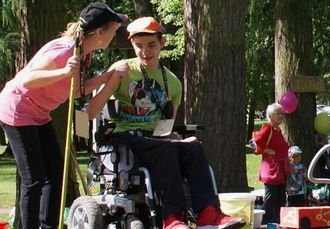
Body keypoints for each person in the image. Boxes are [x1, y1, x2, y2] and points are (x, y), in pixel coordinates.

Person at [88, 16, 244, 229]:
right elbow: (92, 112)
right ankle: (171, 218)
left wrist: (177, 139)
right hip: (125, 139)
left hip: (155, 140)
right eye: (139, 46)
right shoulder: (122, 68)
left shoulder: (173, 82)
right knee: (166, 149)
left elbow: (164, 127)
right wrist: (114, 79)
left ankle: (208, 214)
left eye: (151, 45)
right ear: (132, 44)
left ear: (162, 42)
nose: (145, 52)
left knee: (194, 148)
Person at [0, 3, 126, 229]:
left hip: (39, 114)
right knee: (34, 179)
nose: (115, 34)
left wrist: (108, 76)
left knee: (56, 175)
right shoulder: (65, 51)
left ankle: (49, 226)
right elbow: (27, 80)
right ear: (99, 32)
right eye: (114, 29)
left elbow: (75, 90)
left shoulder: (84, 54)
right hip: (17, 110)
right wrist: (65, 71)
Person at [253, 103, 290, 225]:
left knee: (281, 197)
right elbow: (258, 139)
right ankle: (265, 222)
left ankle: (278, 222)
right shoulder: (267, 127)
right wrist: (267, 149)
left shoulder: (278, 129)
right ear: (270, 115)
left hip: (281, 168)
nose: (281, 116)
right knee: (271, 198)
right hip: (272, 169)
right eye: (278, 113)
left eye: (282, 114)